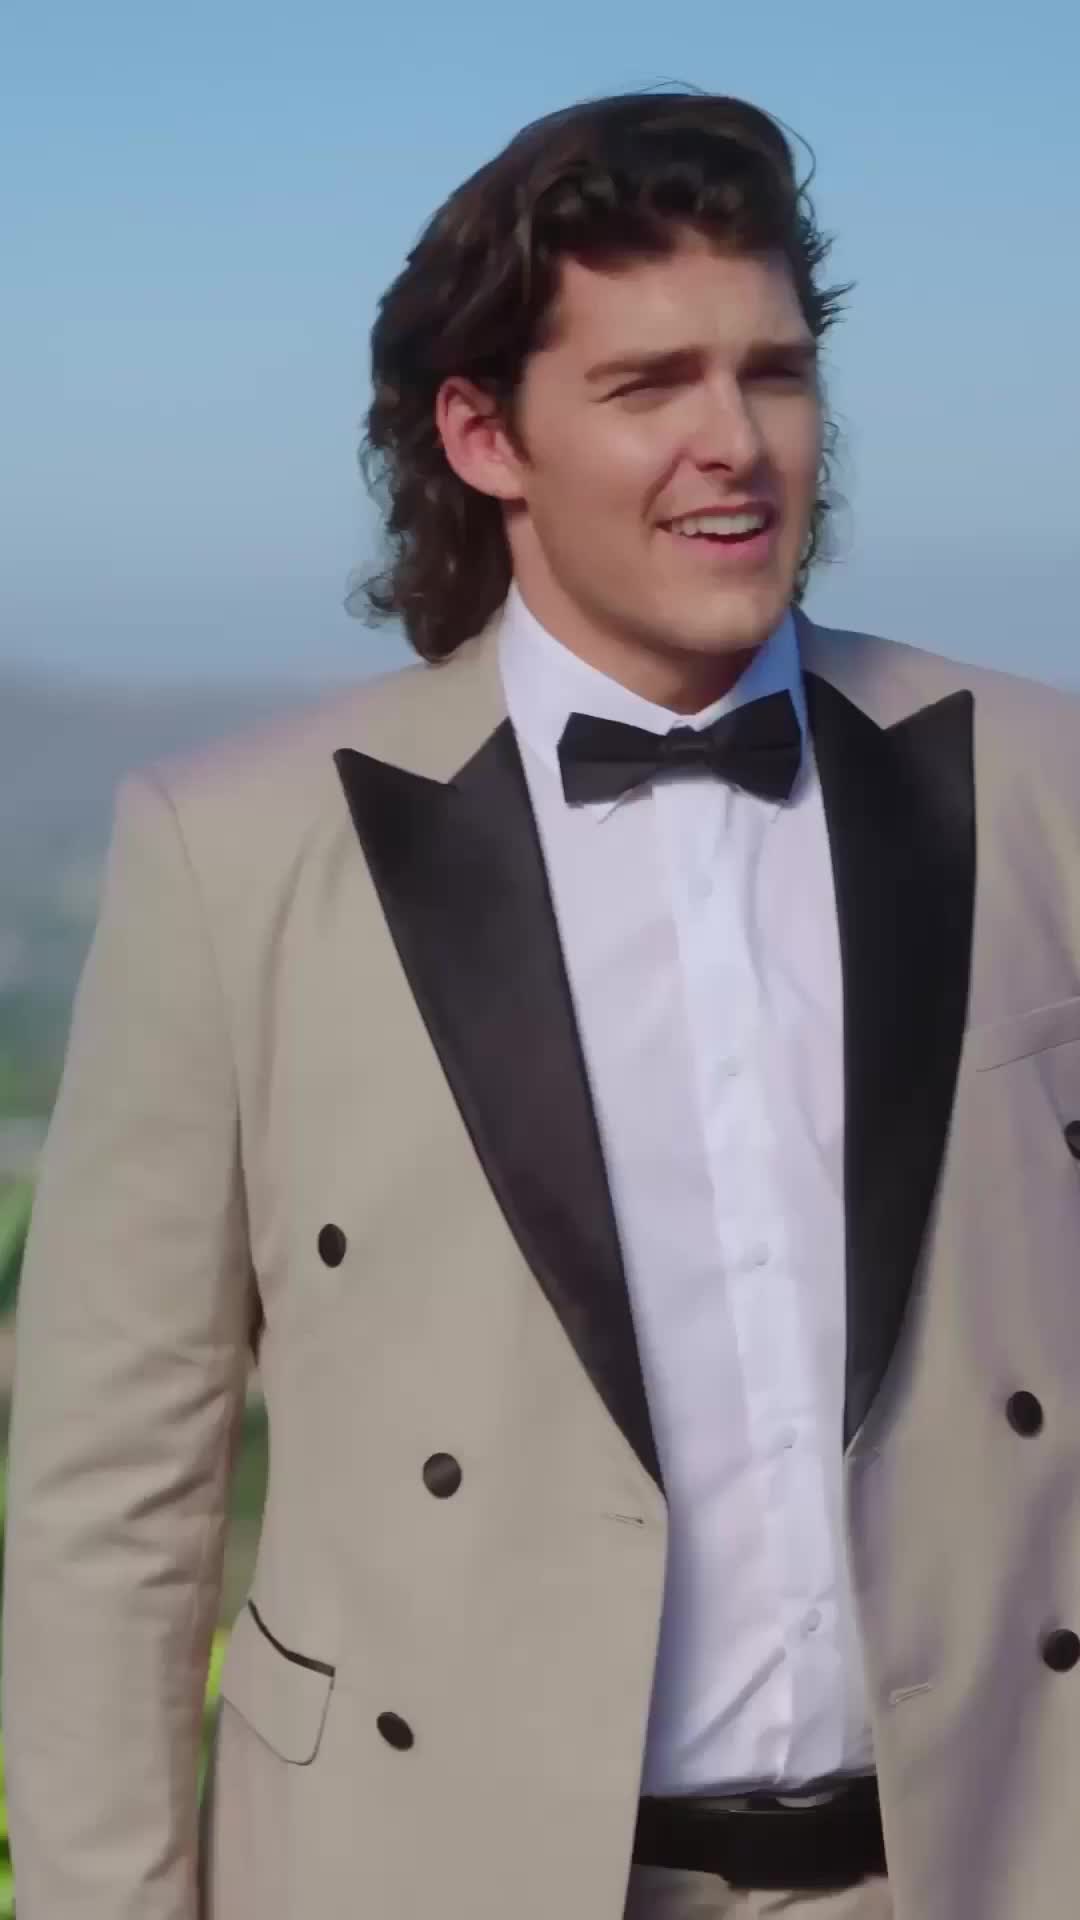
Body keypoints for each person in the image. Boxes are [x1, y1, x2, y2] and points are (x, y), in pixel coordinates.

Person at [3, 84, 1080, 1920]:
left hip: (990, 1862)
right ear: (484, 434)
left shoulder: (1048, 789)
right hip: (433, 1870)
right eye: (650, 386)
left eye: (773, 373)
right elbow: (112, 1504)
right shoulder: (231, 854)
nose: (736, 444)